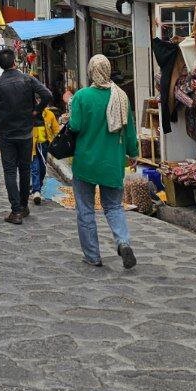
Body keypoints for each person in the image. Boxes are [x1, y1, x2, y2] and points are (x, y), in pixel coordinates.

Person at [67, 54, 137, 268]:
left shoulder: (81, 96)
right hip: (112, 163)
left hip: (86, 163)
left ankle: (92, 256)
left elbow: (75, 126)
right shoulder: (121, 96)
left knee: (86, 210)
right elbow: (130, 130)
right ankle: (123, 242)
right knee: (114, 206)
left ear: (90, 72)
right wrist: (133, 153)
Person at [0, 48, 52, 224]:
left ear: (1, 65)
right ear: (15, 62)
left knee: (10, 171)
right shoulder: (27, 79)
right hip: (25, 132)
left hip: (6, 133)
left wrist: (1, 121)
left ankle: (15, 210)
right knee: (24, 169)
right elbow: (47, 94)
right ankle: (23, 206)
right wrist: (36, 112)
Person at [30, 91, 61, 205]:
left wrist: (55, 143)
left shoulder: (49, 114)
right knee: (35, 167)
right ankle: (36, 191)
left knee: (42, 168)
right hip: (32, 145)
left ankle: (38, 187)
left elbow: (56, 130)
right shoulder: (29, 114)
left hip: (44, 145)